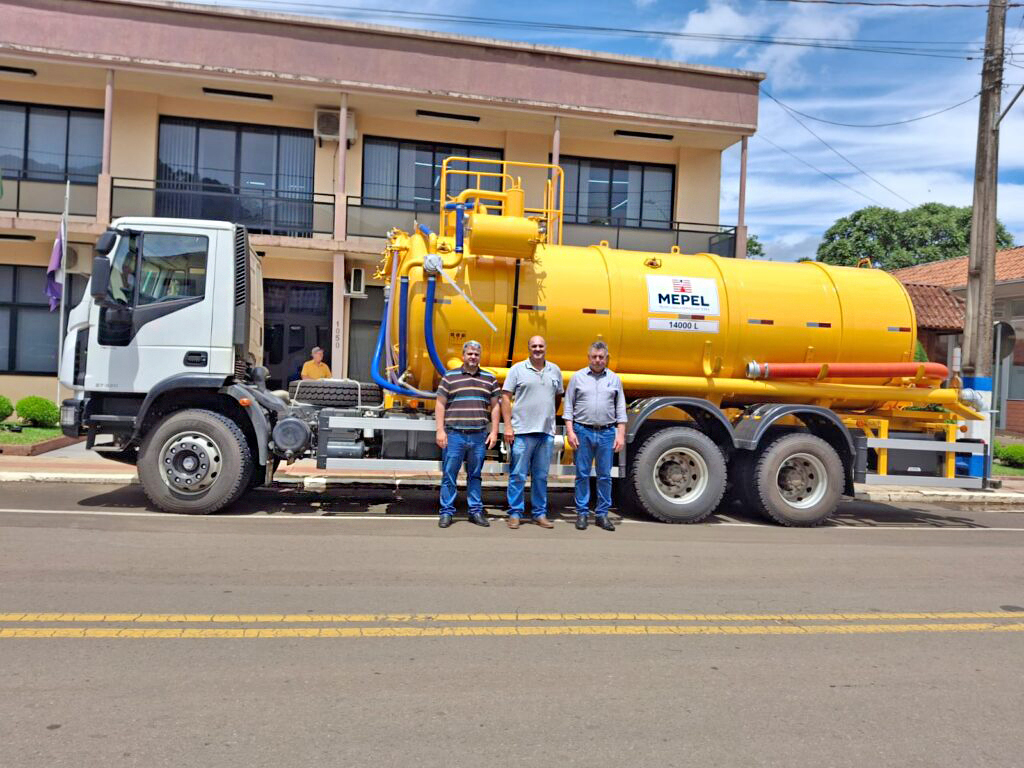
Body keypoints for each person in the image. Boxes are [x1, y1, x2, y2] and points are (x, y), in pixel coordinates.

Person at [435, 341, 501, 529]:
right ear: (463, 355)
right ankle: (446, 512)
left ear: (480, 357)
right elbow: (440, 403)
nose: (473, 357)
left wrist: (494, 431)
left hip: (478, 436)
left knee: (475, 475)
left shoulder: (489, 378)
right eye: (470, 354)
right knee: (449, 475)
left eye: (476, 354)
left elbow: (495, 405)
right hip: (454, 435)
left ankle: (475, 511)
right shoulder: (450, 377)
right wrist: (440, 430)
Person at [564, 341, 627, 531]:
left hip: (607, 432)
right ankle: (582, 513)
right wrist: (570, 430)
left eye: (601, 357)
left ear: (606, 358)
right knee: (582, 475)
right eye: (594, 356)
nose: (598, 360)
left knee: (605, 476)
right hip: (583, 431)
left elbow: (620, 408)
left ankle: (602, 514)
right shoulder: (578, 377)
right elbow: (568, 406)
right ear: (588, 357)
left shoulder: (614, 379)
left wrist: (620, 434)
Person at [501, 335, 563, 529]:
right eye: (534, 346)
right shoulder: (517, 370)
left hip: (545, 433)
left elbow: (558, 397)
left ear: (546, 348)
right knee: (518, 474)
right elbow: (505, 397)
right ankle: (515, 513)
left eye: (541, 346)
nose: (537, 349)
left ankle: (540, 513)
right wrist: (509, 426)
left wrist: (548, 418)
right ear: (528, 348)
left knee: (541, 476)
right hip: (522, 431)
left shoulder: (555, 370)